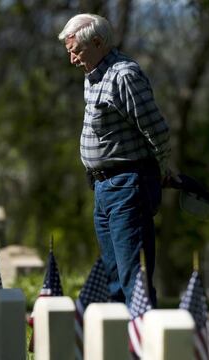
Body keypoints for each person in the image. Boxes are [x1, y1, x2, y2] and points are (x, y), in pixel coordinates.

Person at [58, 14, 171, 306]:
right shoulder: (94, 75)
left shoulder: (123, 75)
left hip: (127, 185)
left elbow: (156, 130)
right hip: (103, 188)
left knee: (134, 278)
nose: (72, 59)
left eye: (76, 51)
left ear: (98, 42)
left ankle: (145, 346)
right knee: (113, 279)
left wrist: (161, 169)